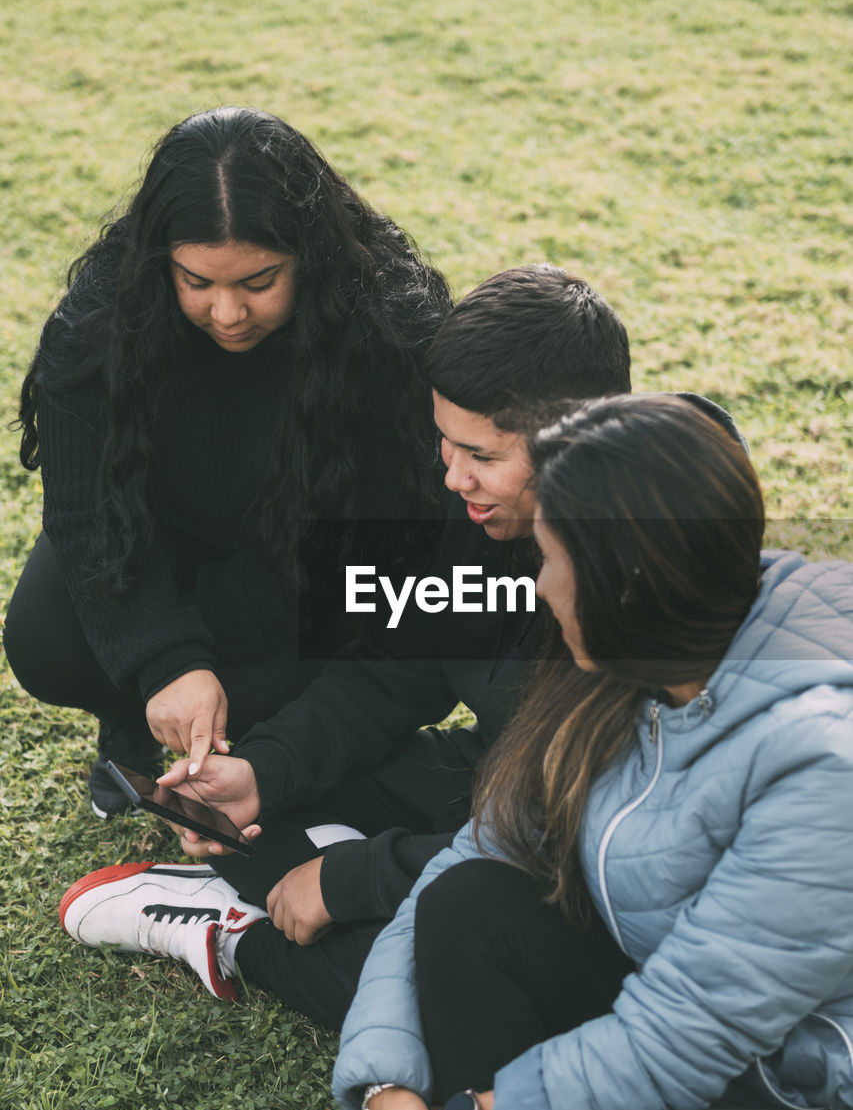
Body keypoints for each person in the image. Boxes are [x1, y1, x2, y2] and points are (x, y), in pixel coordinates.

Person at [58, 266, 636, 1027]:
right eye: (443, 441)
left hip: (582, 857)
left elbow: (576, 837)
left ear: (580, 442)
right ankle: (305, 869)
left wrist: (354, 880)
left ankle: (238, 939)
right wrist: (264, 773)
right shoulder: (481, 516)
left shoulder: (653, 574)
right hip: (496, 779)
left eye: (482, 456)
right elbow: (398, 668)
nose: (452, 475)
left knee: (455, 986)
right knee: (259, 810)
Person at [331, 394, 853, 1110]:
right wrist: (388, 1086)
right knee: (471, 905)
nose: (538, 586)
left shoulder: (822, 760)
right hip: (693, 1048)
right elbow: (473, 857)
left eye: (548, 558)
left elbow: (688, 1030)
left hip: (818, 1098)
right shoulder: (628, 672)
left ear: (623, 578)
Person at [4, 106, 451, 817]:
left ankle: (259, 750)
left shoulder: (386, 325)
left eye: (258, 281)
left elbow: (390, 532)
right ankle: (130, 716)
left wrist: (212, 647)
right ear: (160, 261)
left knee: (306, 665)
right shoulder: (98, 322)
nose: (227, 313)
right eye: (197, 282)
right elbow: (85, 513)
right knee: (44, 638)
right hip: (155, 538)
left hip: (301, 563)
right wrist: (165, 661)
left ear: (311, 256)